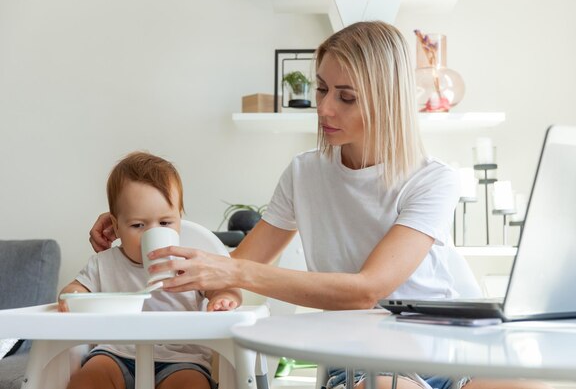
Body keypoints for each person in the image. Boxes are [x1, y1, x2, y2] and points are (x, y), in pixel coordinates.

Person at [89, 22, 542, 389]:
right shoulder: (305, 174)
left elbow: (369, 289)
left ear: (387, 101)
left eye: (345, 97)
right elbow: (229, 271)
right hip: (365, 362)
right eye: (322, 89)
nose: (324, 108)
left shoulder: (432, 180)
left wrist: (235, 274)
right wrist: (136, 233)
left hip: (453, 353)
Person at [63, 151, 241, 389]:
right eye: (138, 225)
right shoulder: (104, 263)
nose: (152, 234)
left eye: (165, 223)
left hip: (181, 359)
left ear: (180, 219)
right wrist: (73, 296)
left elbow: (226, 287)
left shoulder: (191, 262)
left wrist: (224, 299)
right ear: (116, 226)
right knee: (86, 380)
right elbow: (76, 289)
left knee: (192, 385)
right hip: (115, 354)